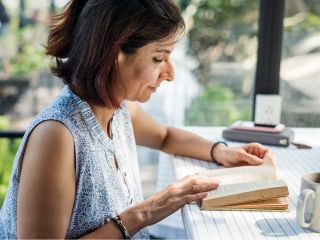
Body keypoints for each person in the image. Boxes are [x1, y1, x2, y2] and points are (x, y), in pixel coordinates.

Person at [0, 0, 273, 238]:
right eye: (158, 58)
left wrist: (221, 152)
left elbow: (165, 136)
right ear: (114, 54)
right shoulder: (57, 135)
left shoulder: (117, 109)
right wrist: (148, 210)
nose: (170, 73)